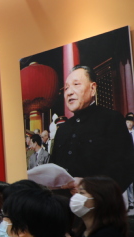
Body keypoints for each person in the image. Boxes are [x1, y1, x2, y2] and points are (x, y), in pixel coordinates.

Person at [49, 65, 134, 193]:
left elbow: (126, 168)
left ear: (92, 88)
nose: (69, 92)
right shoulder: (62, 130)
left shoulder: (111, 119)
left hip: (100, 203)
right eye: (66, 88)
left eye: (76, 84)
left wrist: (90, 187)